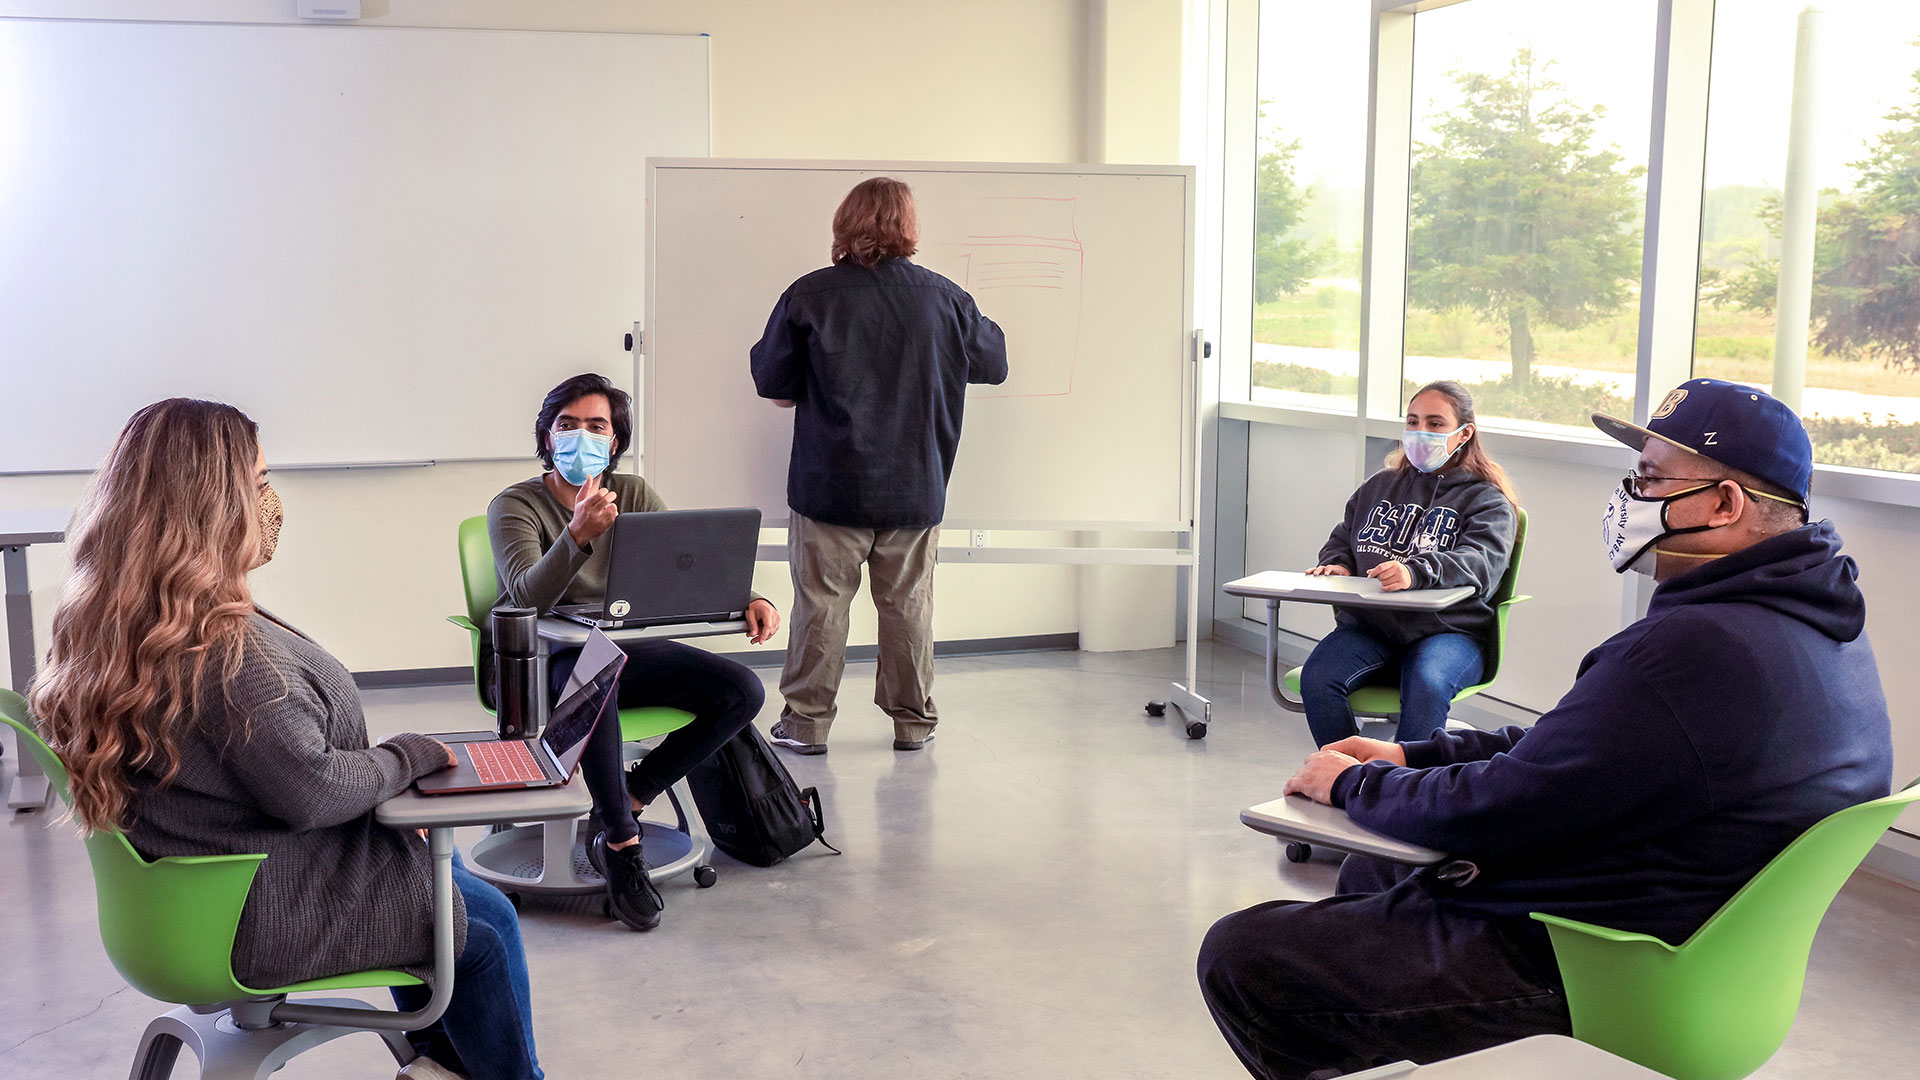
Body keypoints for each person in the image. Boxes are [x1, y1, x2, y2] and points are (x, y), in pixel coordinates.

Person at [1197, 379, 1893, 1080]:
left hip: (1595, 952)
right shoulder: (1814, 618)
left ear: (1723, 503)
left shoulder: (1698, 648)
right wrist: (1415, 752)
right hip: (1678, 923)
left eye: (1648, 479)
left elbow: (1501, 809)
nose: (1629, 498)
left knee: (1245, 954)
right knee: (1373, 867)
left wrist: (1358, 786)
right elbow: (1580, 745)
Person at [29, 399, 539, 1080]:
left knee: (439, 884)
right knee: (487, 920)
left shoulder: (109, 614)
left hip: (185, 894)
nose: (273, 502)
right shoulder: (232, 654)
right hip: (256, 910)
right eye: (260, 482)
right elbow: (313, 790)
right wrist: (409, 755)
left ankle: (441, 1065)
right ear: (211, 504)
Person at [489, 372, 776, 931]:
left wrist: (749, 595)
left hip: (618, 655)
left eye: (596, 426)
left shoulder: (635, 493)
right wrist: (576, 536)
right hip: (540, 664)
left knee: (742, 690)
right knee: (597, 674)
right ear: (547, 436)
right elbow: (524, 597)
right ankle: (621, 845)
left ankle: (630, 796)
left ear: (614, 440)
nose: (580, 436)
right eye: (566, 425)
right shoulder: (515, 505)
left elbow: (682, 566)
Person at [749, 176, 1008, 756]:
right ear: (910, 228)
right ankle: (914, 724)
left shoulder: (809, 295)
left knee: (821, 606)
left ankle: (806, 725)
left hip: (828, 486)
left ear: (844, 223)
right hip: (915, 485)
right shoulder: (947, 299)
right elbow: (994, 363)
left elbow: (775, 387)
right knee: (907, 607)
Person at [1298, 380, 1518, 746]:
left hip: (1448, 632)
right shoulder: (1379, 486)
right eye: (1413, 422)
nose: (1420, 432)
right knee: (1318, 678)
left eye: (1435, 424)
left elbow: (1481, 563)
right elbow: (1344, 537)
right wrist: (1337, 564)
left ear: (1464, 433)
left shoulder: (1487, 500)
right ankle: (1350, 775)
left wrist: (1416, 572)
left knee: (1427, 684)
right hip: (1372, 627)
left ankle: (1409, 789)